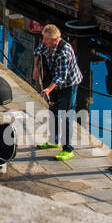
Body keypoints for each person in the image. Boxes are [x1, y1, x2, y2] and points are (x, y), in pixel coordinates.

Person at [33, 23, 83, 160]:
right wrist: (35, 67)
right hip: (55, 82)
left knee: (66, 116)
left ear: (55, 40)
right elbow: (37, 51)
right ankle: (53, 141)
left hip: (68, 85)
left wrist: (48, 89)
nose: (44, 42)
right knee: (53, 111)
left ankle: (68, 149)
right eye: (43, 38)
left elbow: (61, 77)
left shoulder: (64, 52)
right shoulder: (46, 42)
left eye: (46, 40)